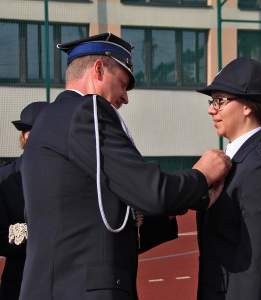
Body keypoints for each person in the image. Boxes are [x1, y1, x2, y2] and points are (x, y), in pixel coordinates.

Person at [19, 33, 231, 300]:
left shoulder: (49, 120)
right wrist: (201, 176)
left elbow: (87, 207)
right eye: (122, 83)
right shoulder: (88, 112)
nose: (125, 98)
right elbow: (148, 190)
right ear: (98, 70)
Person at [196, 57, 261, 300]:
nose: (211, 109)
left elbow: (256, 263)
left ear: (247, 106)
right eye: (212, 101)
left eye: (220, 101)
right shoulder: (237, 159)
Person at [0, 102, 48, 300]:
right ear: (24, 136)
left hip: (67, 282)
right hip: (20, 282)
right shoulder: (4, 178)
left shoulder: (76, 174)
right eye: (28, 131)